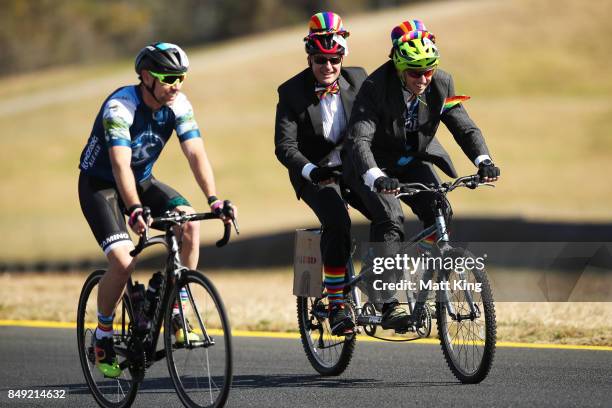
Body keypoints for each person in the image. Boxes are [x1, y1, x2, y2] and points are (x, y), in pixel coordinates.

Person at [78, 42, 234, 377]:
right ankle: (103, 335)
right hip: (100, 187)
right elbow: (120, 166)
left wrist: (214, 199)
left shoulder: (178, 103)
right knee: (123, 261)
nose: (176, 84)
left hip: (143, 180)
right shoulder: (120, 107)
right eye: (168, 78)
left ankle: (173, 306)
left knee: (189, 223)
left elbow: (195, 153)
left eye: (181, 77)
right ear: (146, 76)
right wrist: (133, 208)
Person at [342, 19, 500, 327]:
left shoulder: (441, 82)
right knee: (390, 218)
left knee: (441, 209)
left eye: (429, 69)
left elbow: (464, 126)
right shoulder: (374, 88)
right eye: (415, 71)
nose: (424, 78)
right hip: (372, 163)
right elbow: (360, 139)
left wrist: (483, 160)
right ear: (399, 66)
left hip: (413, 159)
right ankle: (386, 300)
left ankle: (424, 281)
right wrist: (375, 176)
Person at [274, 12, 370, 336]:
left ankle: (386, 298)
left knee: (389, 213)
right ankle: (337, 305)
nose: (327, 67)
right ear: (309, 57)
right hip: (312, 173)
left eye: (333, 59)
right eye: (319, 60)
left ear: (342, 57)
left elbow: (375, 130)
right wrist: (312, 171)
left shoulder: (359, 81)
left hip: (351, 169)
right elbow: (284, 147)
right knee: (337, 220)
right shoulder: (291, 93)